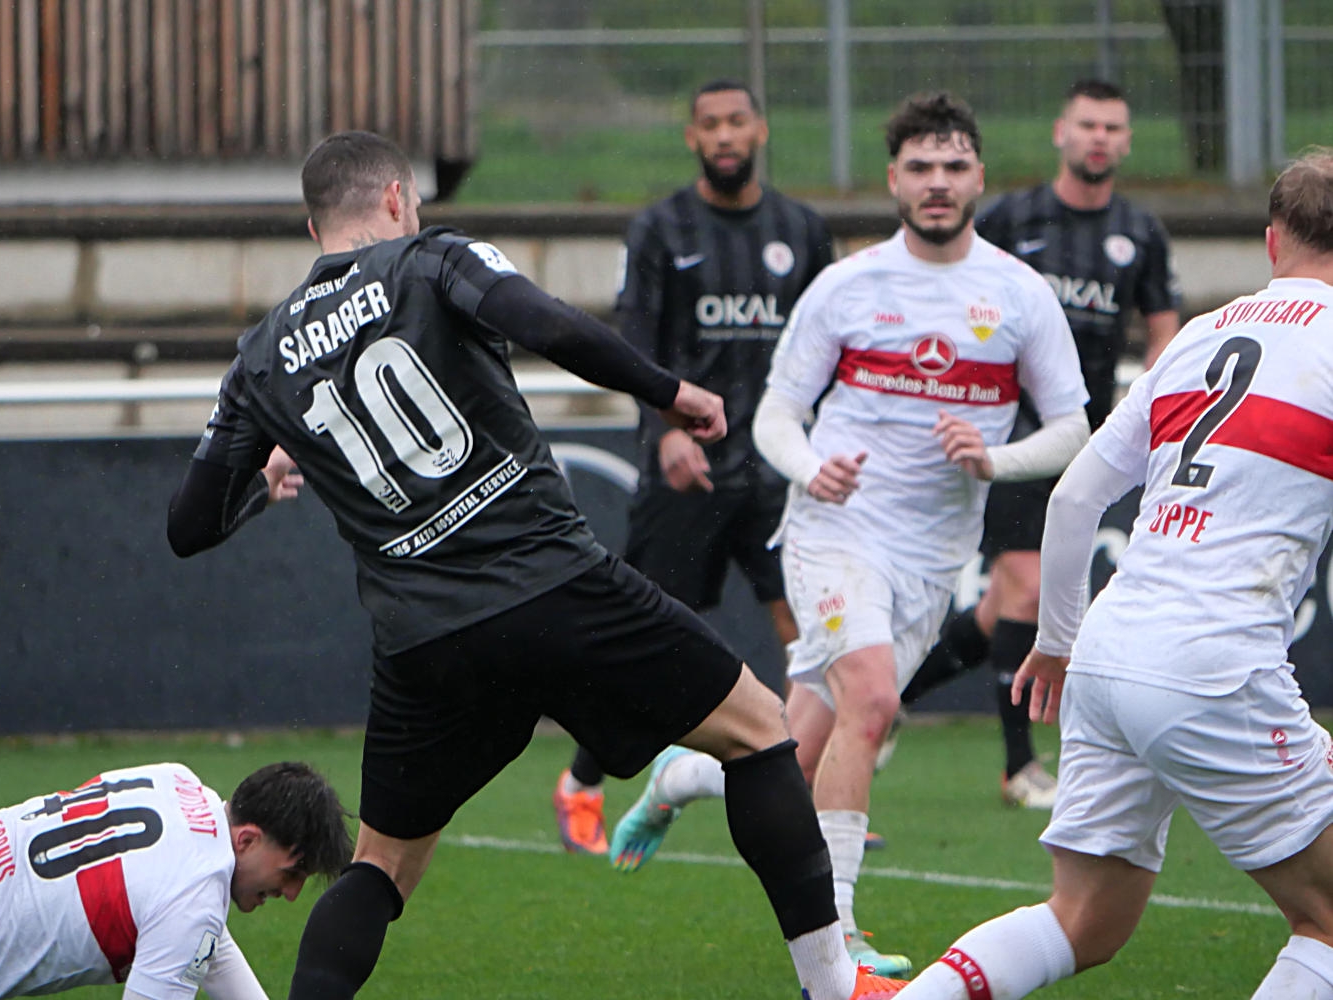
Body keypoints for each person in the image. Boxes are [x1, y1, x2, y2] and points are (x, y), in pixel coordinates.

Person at [165, 129, 905, 1000]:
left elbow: (188, 526)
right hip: (551, 583)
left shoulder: (259, 357)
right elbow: (546, 322)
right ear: (398, 198)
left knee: (382, 864)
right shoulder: (431, 259)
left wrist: (262, 480)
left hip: (422, 641)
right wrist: (669, 392)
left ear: (311, 226)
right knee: (759, 731)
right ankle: (834, 985)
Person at [607, 92, 1090, 979]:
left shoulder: (1020, 294)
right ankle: (838, 939)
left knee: (795, 758)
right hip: (834, 530)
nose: (937, 183)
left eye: (953, 167)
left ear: (979, 177)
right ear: (893, 180)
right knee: (871, 702)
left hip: (932, 554)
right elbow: (777, 417)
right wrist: (809, 468)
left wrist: (994, 459)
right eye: (920, 168)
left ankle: (681, 778)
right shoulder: (848, 286)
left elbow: (1072, 429)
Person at [896, 148, 1333, 1000]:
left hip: (1106, 649)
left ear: (1272, 241)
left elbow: (1073, 499)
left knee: (1083, 920)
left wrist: (1058, 641)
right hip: (1214, 664)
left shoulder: (1201, 334)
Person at [552, 78, 834, 857]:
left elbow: (827, 344)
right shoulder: (660, 229)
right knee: (644, 647)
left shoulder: (802, 231)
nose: (725, 135)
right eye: (710, 124)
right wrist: (665, 431)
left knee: (810, 636)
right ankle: (580, 783)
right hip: (689, 471)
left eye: (737, 121)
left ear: (761, 130)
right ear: (692, 137)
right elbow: (633, 343)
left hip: (777, 473)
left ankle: (815, 790)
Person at [902, 79, 1181, 810]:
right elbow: (955, 292)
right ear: (1062, 132)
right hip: (1006, 433)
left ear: (1126, 141)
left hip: (1085, 438)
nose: (1099, 138)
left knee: (1001, 606)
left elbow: (1163, 328)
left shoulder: (1139, 232)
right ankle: (1019, 765)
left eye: (1112, 127)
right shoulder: (1011, 217)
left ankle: (891, 699)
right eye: (1087, 124)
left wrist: (1148, 402)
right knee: (1027, 586)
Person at [0, 759, 351, 1000]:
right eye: (291, 873)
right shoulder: (193, 904)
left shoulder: (177, 779)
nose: (291, 894)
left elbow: (200, 937)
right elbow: (190, 921)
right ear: (248, 840)